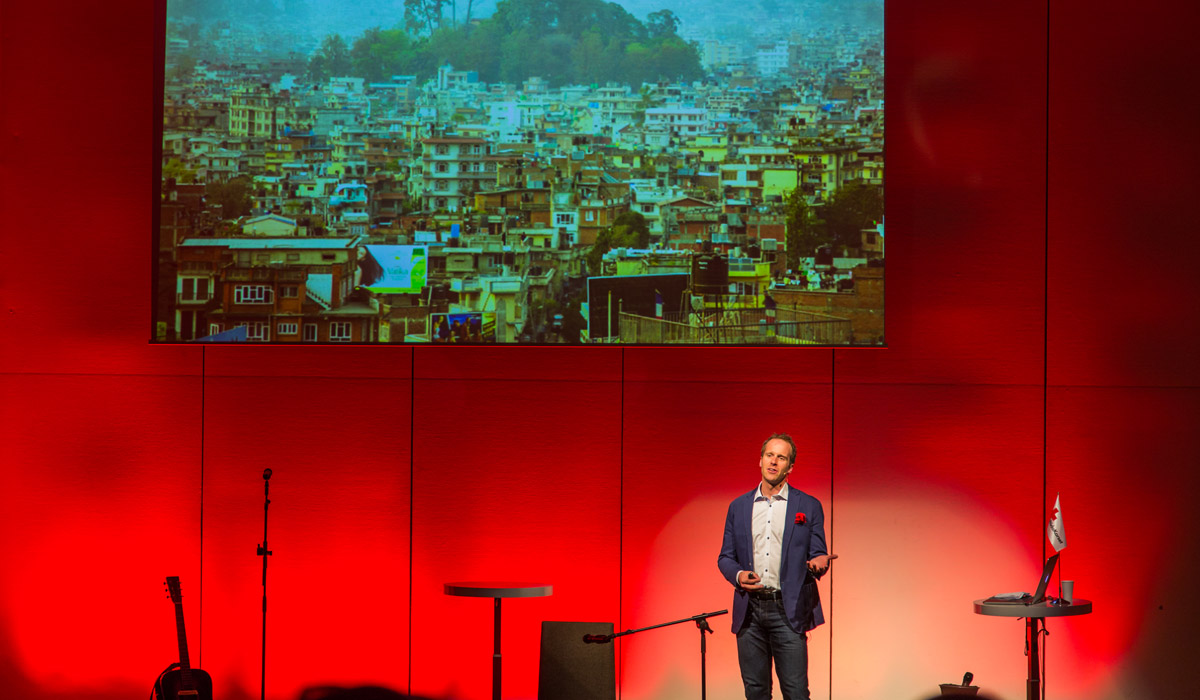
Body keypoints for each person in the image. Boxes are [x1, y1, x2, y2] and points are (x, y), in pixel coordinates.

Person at [718, 433, 837, 700]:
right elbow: (725, 557)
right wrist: (738, 575)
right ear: (760, 460)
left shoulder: (808, 505)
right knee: (756, 692)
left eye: (781, 457)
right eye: (769, 455)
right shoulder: (738, 507)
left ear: (790, 467)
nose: (774, 462)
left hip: (788, 610)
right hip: (749, 611)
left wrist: (819, 563)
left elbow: (818, 553)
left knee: (795, 693)